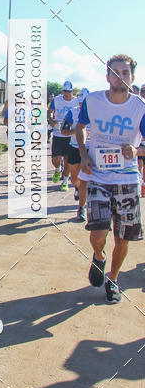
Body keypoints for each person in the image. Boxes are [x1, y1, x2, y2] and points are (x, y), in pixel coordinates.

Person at [76, 55, 145, 304]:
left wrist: (136, 151)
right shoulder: (92, 101)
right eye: (115, 73)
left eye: (125, 73)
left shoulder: (140, 108)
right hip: (98, 176)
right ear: (107, 77)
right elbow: (80, 127)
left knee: (123, 238)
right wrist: (83, 153)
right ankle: (99, 256)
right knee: (98, 232)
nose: (120, 77)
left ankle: (113, 279)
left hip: (127, 177)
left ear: (132, 77)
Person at [47, 81, 79, 190]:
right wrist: (51, 120)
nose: (67, 94)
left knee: (67, 160)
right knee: (55, 159)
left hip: (70, 135)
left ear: (73, 91)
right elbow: (49, 112)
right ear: (62, 91)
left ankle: (65, 181)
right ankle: (57, 169)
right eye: (65, 91)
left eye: (69, 91)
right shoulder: (56, 100)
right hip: (58, 133)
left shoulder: (76, 101)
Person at [63, 88, 89, 221]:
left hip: (90, 149)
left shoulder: (95, 113)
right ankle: (78, 189)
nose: (81, 106)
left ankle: (82, 209)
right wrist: (75, 131)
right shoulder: (71, 113)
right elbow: (63, 131)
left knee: (85, 180)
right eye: (80, 103)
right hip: (74, 147)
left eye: (83, 103)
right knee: (74, 179)